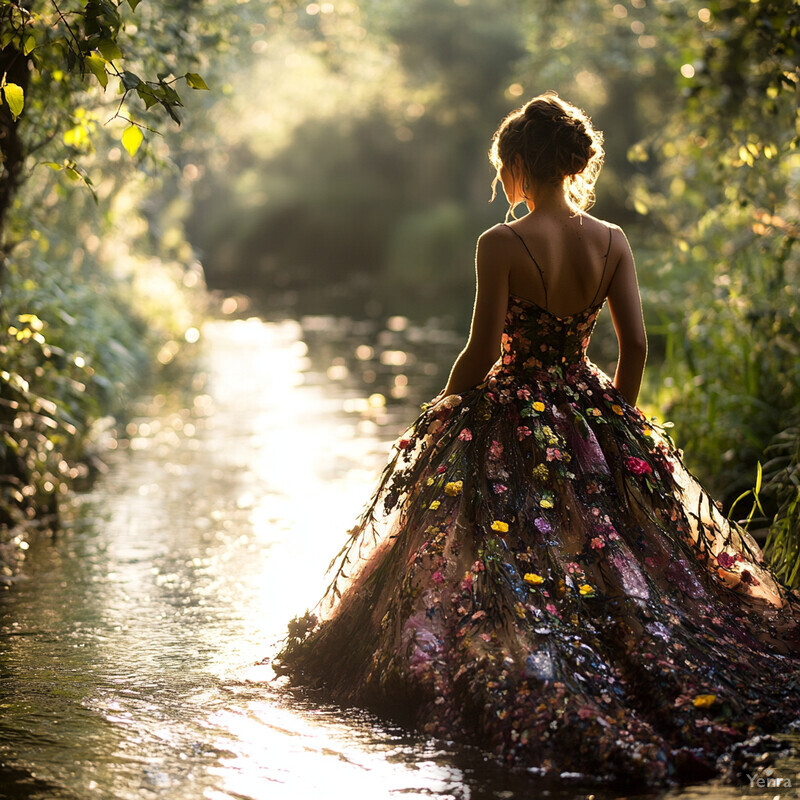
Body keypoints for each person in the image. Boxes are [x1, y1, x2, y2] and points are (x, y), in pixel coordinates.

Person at [271, 91, 800, 789]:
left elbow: (481, 348)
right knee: (605, 552)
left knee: (497, 551)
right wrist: (614, 433)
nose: (504, 180)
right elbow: (635, 346)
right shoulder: (612, 240)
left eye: (505, 168)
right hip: (591, 410)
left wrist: (447, 405)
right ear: (574, 164)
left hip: (511, 413)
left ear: (519, 164)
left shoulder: (500, 244)